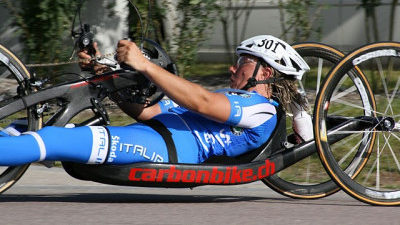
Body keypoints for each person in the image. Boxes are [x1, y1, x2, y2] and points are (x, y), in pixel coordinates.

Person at [0, 35, 312, 166]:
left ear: (265, 70)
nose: (233, 67)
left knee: (53, 138)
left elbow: (201, 102)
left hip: (166, 148)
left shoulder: (260, 109)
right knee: (23, 128)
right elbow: (147, 111)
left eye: (243, 61)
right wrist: (100, 69)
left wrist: (145, 64)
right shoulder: (231, 97)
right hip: (154, 135)